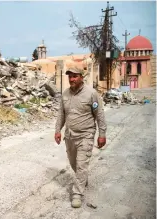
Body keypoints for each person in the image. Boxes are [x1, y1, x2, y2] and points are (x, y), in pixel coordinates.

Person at [54, 66, 107, 208]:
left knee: (81, 164)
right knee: (74, 163)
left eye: (74, 76)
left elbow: (99, 115)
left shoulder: (91, 94)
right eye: (69, 76)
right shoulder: (65, 94)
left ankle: (77, 193)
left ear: (81, 77)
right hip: (70, 136)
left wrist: (102, 134)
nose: (71, 79)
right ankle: (82, 179)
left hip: (86, 135)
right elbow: (61, 114)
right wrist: (57, 130)